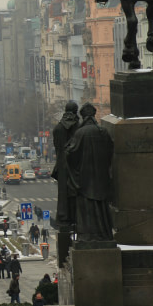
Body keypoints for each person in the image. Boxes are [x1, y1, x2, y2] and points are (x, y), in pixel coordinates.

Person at [65, 103, 114, 242]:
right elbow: (111, 151)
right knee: (102, 206)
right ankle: (104, 233)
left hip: (85, 178)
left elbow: (71, 154)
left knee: (87, 207)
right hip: (101, 176)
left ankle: (87, 236)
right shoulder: (103, 132)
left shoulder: (80, 133)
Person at [52, 101, 80, 231]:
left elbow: (57, 148)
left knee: (63, 193)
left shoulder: (57, 128)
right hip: (76, 165)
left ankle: (63, 218)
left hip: (62, 164)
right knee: (77, 192)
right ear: (75, 111)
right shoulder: (79, 127)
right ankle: (77, 218)